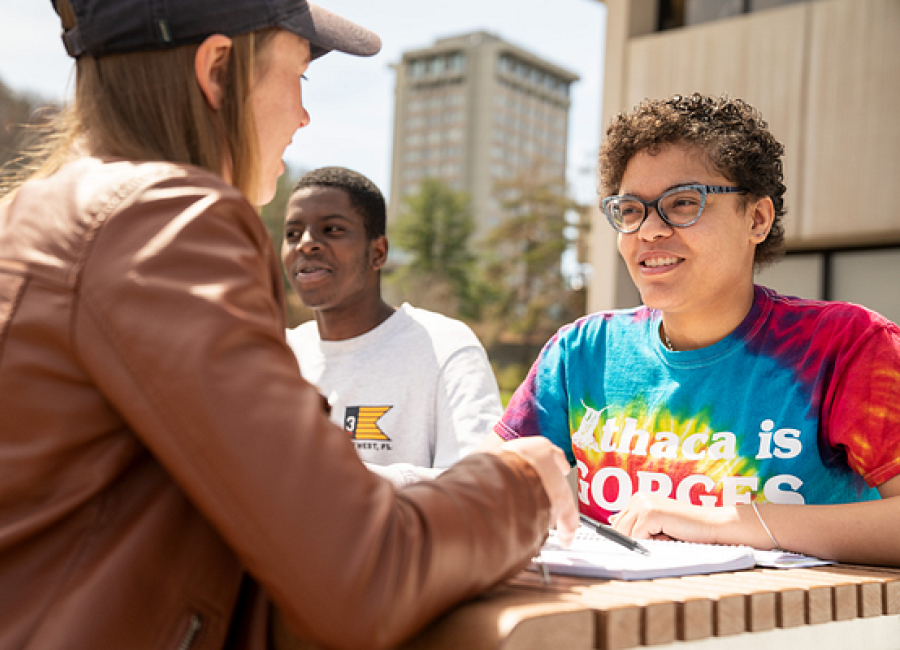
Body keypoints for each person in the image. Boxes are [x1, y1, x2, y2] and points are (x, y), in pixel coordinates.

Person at [0, 2, 578, 649]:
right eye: (298, 77)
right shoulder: (164, 222)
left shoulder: (35, 217)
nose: (304, 116)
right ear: (217, 70)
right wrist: (522, 484)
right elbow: (361, 570)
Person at [491, 93, 900, 567]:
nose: (648, 230)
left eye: (683, 203)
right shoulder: (582, 353)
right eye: (629, 210)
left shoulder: (846, 346)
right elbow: (485, 482)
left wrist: (733, 523)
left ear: (757, 218)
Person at [282, 166, 502, 487]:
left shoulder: (445, 346)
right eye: (292, 234)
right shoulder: (280, 352)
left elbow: (478, 486)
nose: (305, 244)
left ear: (378, 252)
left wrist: (331, 475)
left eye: (332, 229)